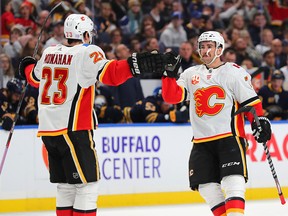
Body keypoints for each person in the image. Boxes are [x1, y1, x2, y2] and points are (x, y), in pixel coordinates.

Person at [18, 14, 177, 216]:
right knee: (87, 186)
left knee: (66, 186)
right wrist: (136, 65)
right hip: (74, 129)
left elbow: (33, 78)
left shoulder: (49, 52)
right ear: (84, 34)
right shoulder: (87, 52)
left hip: (49, 132)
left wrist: (26, 65)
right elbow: (111, 74)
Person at [160, 31, 272, 216]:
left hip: (229, 138)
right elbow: (172, 97)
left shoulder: (233, 72)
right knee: (206, 187)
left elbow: (251, 104)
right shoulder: (190, 74)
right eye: (202, 47)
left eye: (209, 46)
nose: (205, 51)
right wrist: (168, 76)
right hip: (201, 142)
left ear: (220, 49)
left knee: (232, 182)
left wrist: (259, 123)